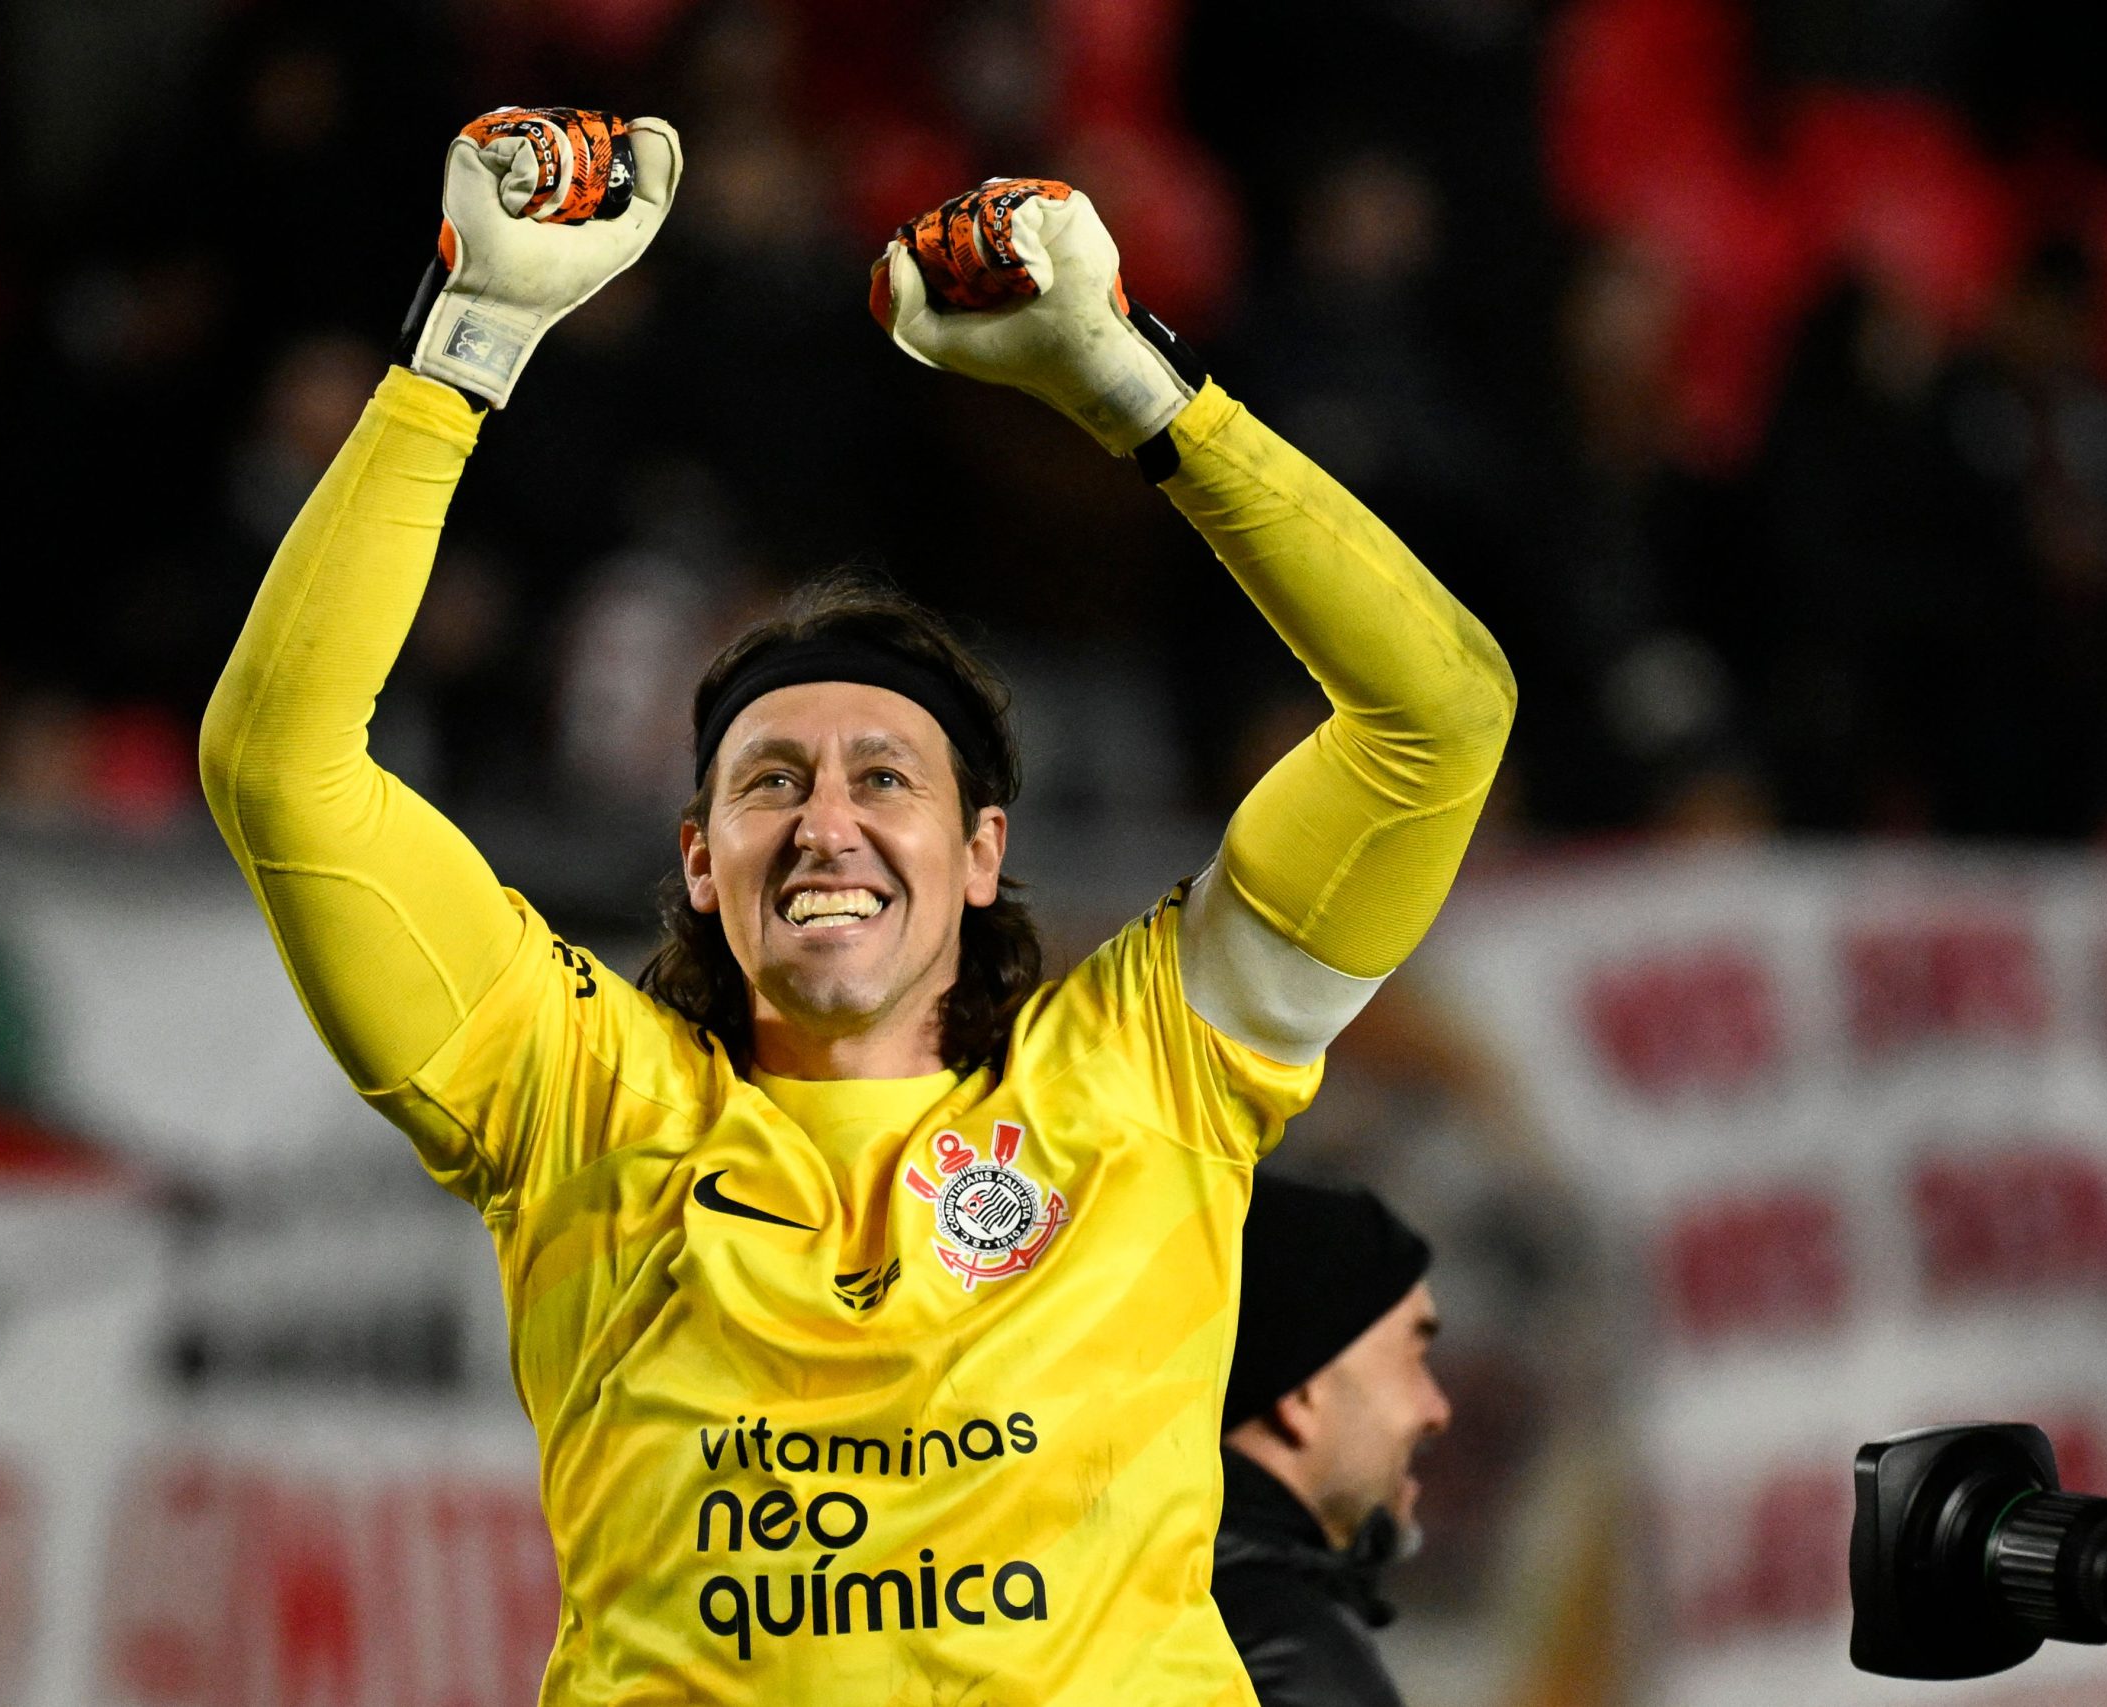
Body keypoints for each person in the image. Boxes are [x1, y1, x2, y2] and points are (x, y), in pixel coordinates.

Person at [200, 105, 1513, 1704]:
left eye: (886, 776)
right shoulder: (578, 1099)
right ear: (698, 857)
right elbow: (280, 764)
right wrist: (463, 343)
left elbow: (1436, 717)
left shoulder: (1145, 1076)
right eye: (770, 781)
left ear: (981, 853)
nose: (827, 820)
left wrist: (1130, 384)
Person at [1215, 1179, 1449, 1707]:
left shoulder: (1117, 1598)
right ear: (1302, 1397)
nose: (1438, 1410)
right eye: (1415, 1358)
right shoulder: (1288, 1661)